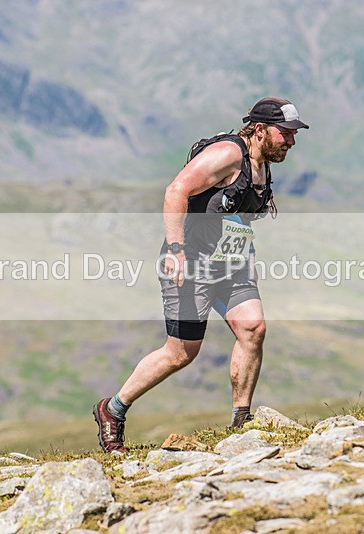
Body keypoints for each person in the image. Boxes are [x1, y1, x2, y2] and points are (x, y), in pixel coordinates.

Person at [93, 97, 308, 454]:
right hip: (191, 263)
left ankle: (241, 421)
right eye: (285, 133)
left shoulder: (261, 163)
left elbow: (237, 217)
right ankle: (112, 409)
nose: (291, 141)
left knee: (253, 329)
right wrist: (176, 250)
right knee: (181, 352)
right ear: (259, 130)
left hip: (231, 266)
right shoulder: (227, 155)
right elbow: (176, 190)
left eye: (293, 134)